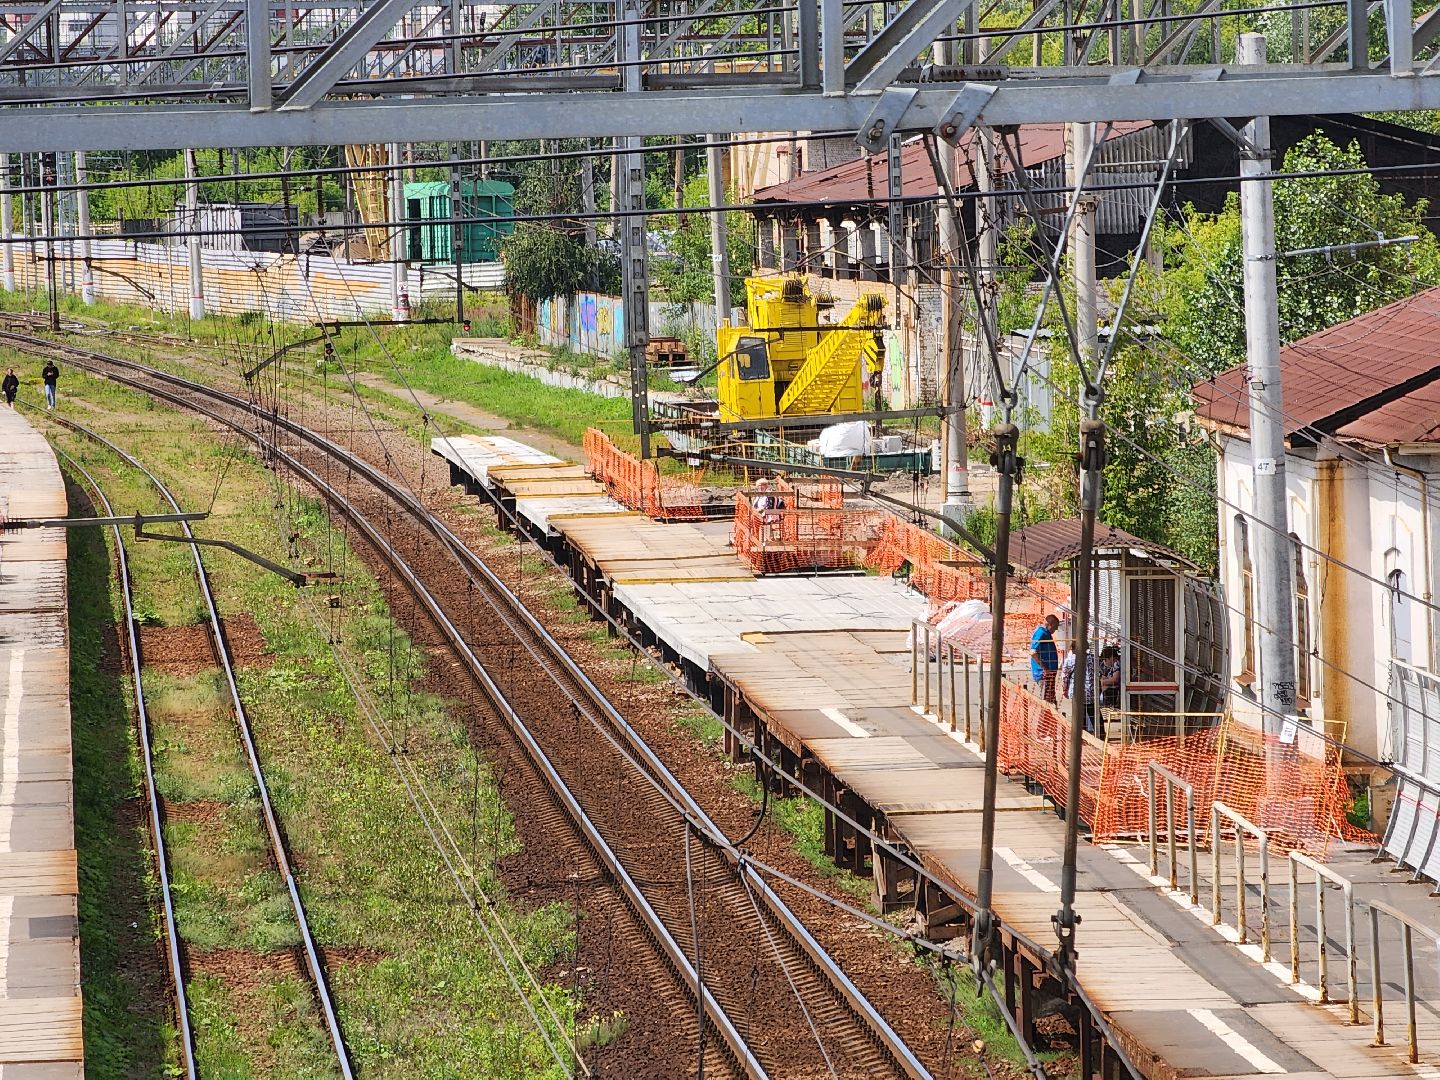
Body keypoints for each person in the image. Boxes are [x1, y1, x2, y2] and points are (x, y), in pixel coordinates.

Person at [1029, 613, 1060, 704]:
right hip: (1044, 675)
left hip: (1049, 674)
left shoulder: (1047, 634)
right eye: (1055, 627)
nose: (1056, 629)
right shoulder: (1041, 633)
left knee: (1050, 700)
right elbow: (1033, 652)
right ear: (1050, 624)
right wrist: (1045, 669)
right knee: (1045, 703)